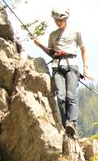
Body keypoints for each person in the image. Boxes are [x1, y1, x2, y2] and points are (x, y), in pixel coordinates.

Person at [32, 7, 89, 137]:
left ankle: (72, 122)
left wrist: (86, 68)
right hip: (57, 66)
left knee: (71, 96)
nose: (58, 22)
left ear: (65, 19)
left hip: (72, 65)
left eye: (60, 20)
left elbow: (83, 50)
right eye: (56, 20)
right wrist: (40, 45)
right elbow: (51, 53)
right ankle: (65, 124)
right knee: (61, 97)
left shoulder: (76, 33)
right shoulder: (53, 35)